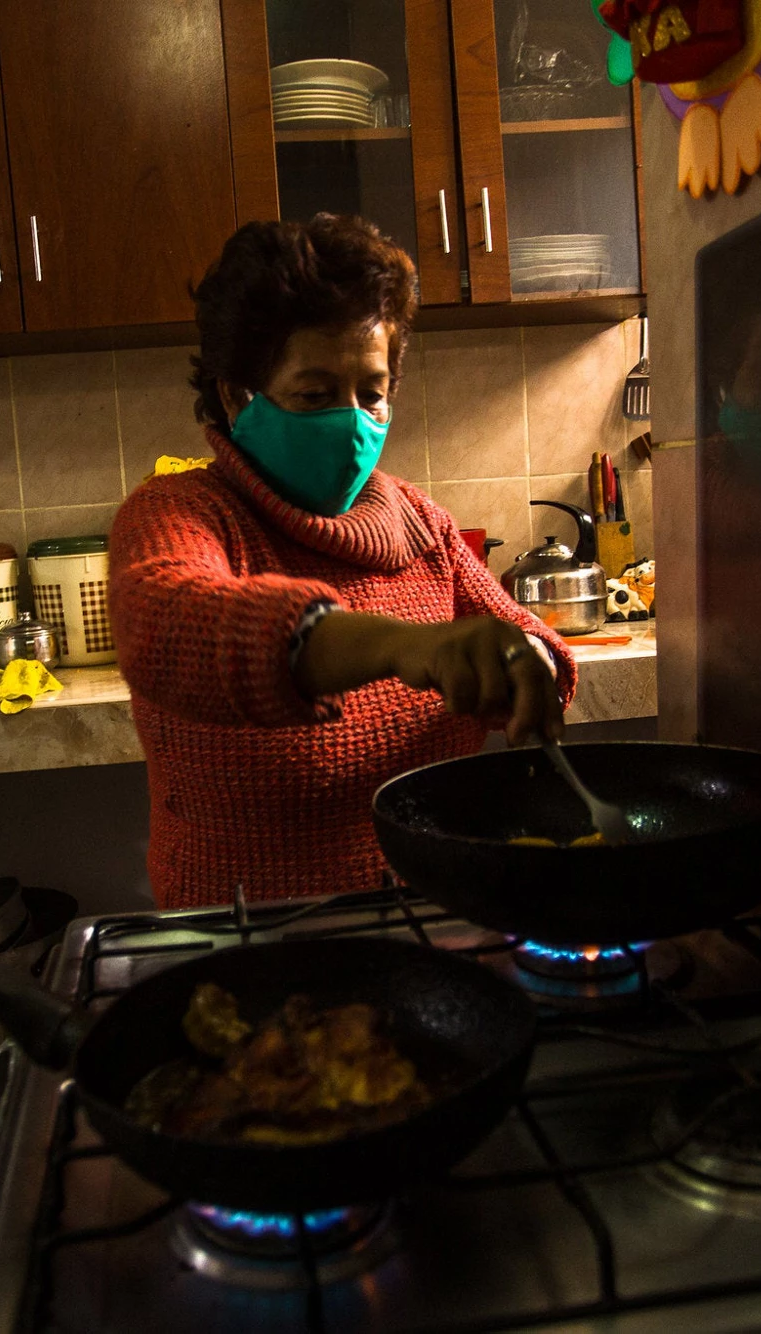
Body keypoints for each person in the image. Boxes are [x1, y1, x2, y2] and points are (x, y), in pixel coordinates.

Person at [109, 215, 578, 909]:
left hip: (430, 918)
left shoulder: (420, 524)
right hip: (249, 941)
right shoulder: (180, 513)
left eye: (372, 392)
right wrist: (401, 646)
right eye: (315, 394)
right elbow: (167, 624)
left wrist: (530, 665)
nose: (353, 420)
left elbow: (523, 642)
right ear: (239, 393)